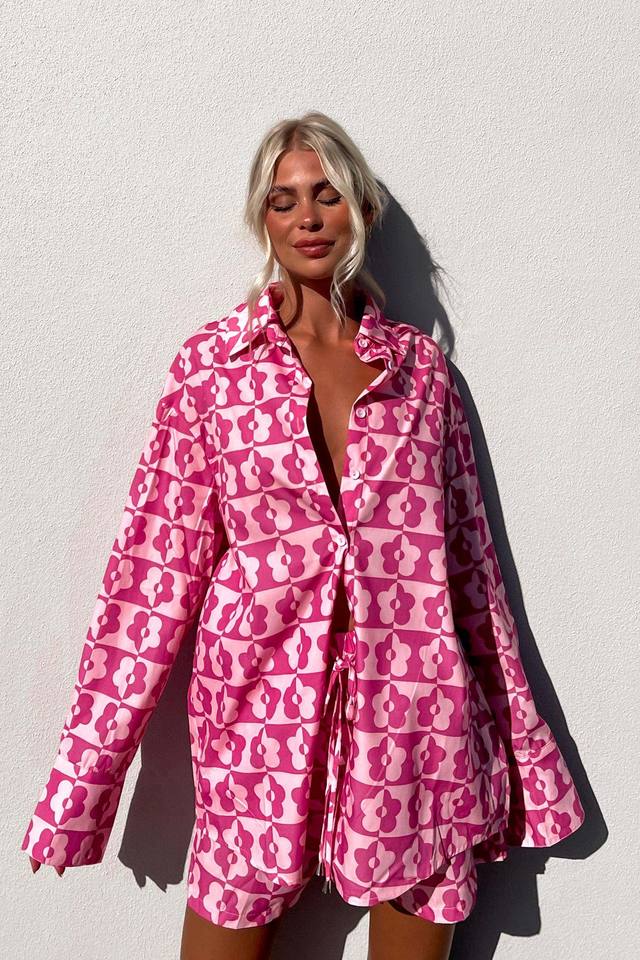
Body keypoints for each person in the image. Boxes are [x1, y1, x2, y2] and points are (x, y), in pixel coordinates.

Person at [22, 111, 585, 960]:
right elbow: (150, 579)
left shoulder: (421, 374)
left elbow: (472, 574)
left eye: (327, 195)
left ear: (361, 209)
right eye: (283, 201)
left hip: (417, 729)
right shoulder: (214, 369)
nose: (308, 218)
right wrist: (84, 781)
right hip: (256, 720)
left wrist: (525, 758)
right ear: (262, 219)